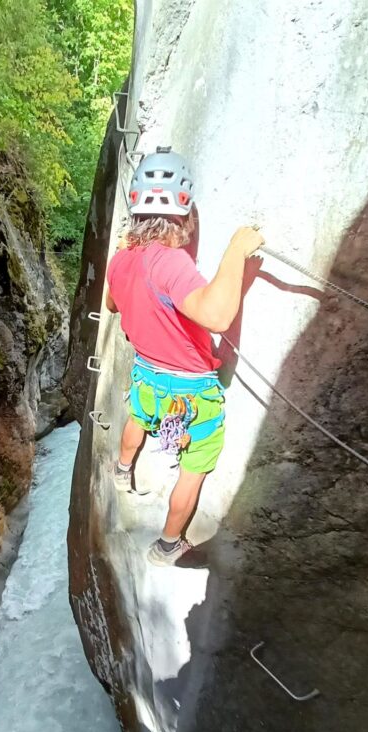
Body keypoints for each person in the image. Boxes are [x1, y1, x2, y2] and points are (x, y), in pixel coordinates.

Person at [105, 147, 264, 566]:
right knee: (192, 470)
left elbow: (112, 304)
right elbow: (215, 314)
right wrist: (235, 250)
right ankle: (167, 545)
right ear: (185, 214)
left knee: (137, 417)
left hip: (147, 378)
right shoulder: (172, 262)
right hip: (192, 396)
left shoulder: (121, 258)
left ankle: (121, 471)